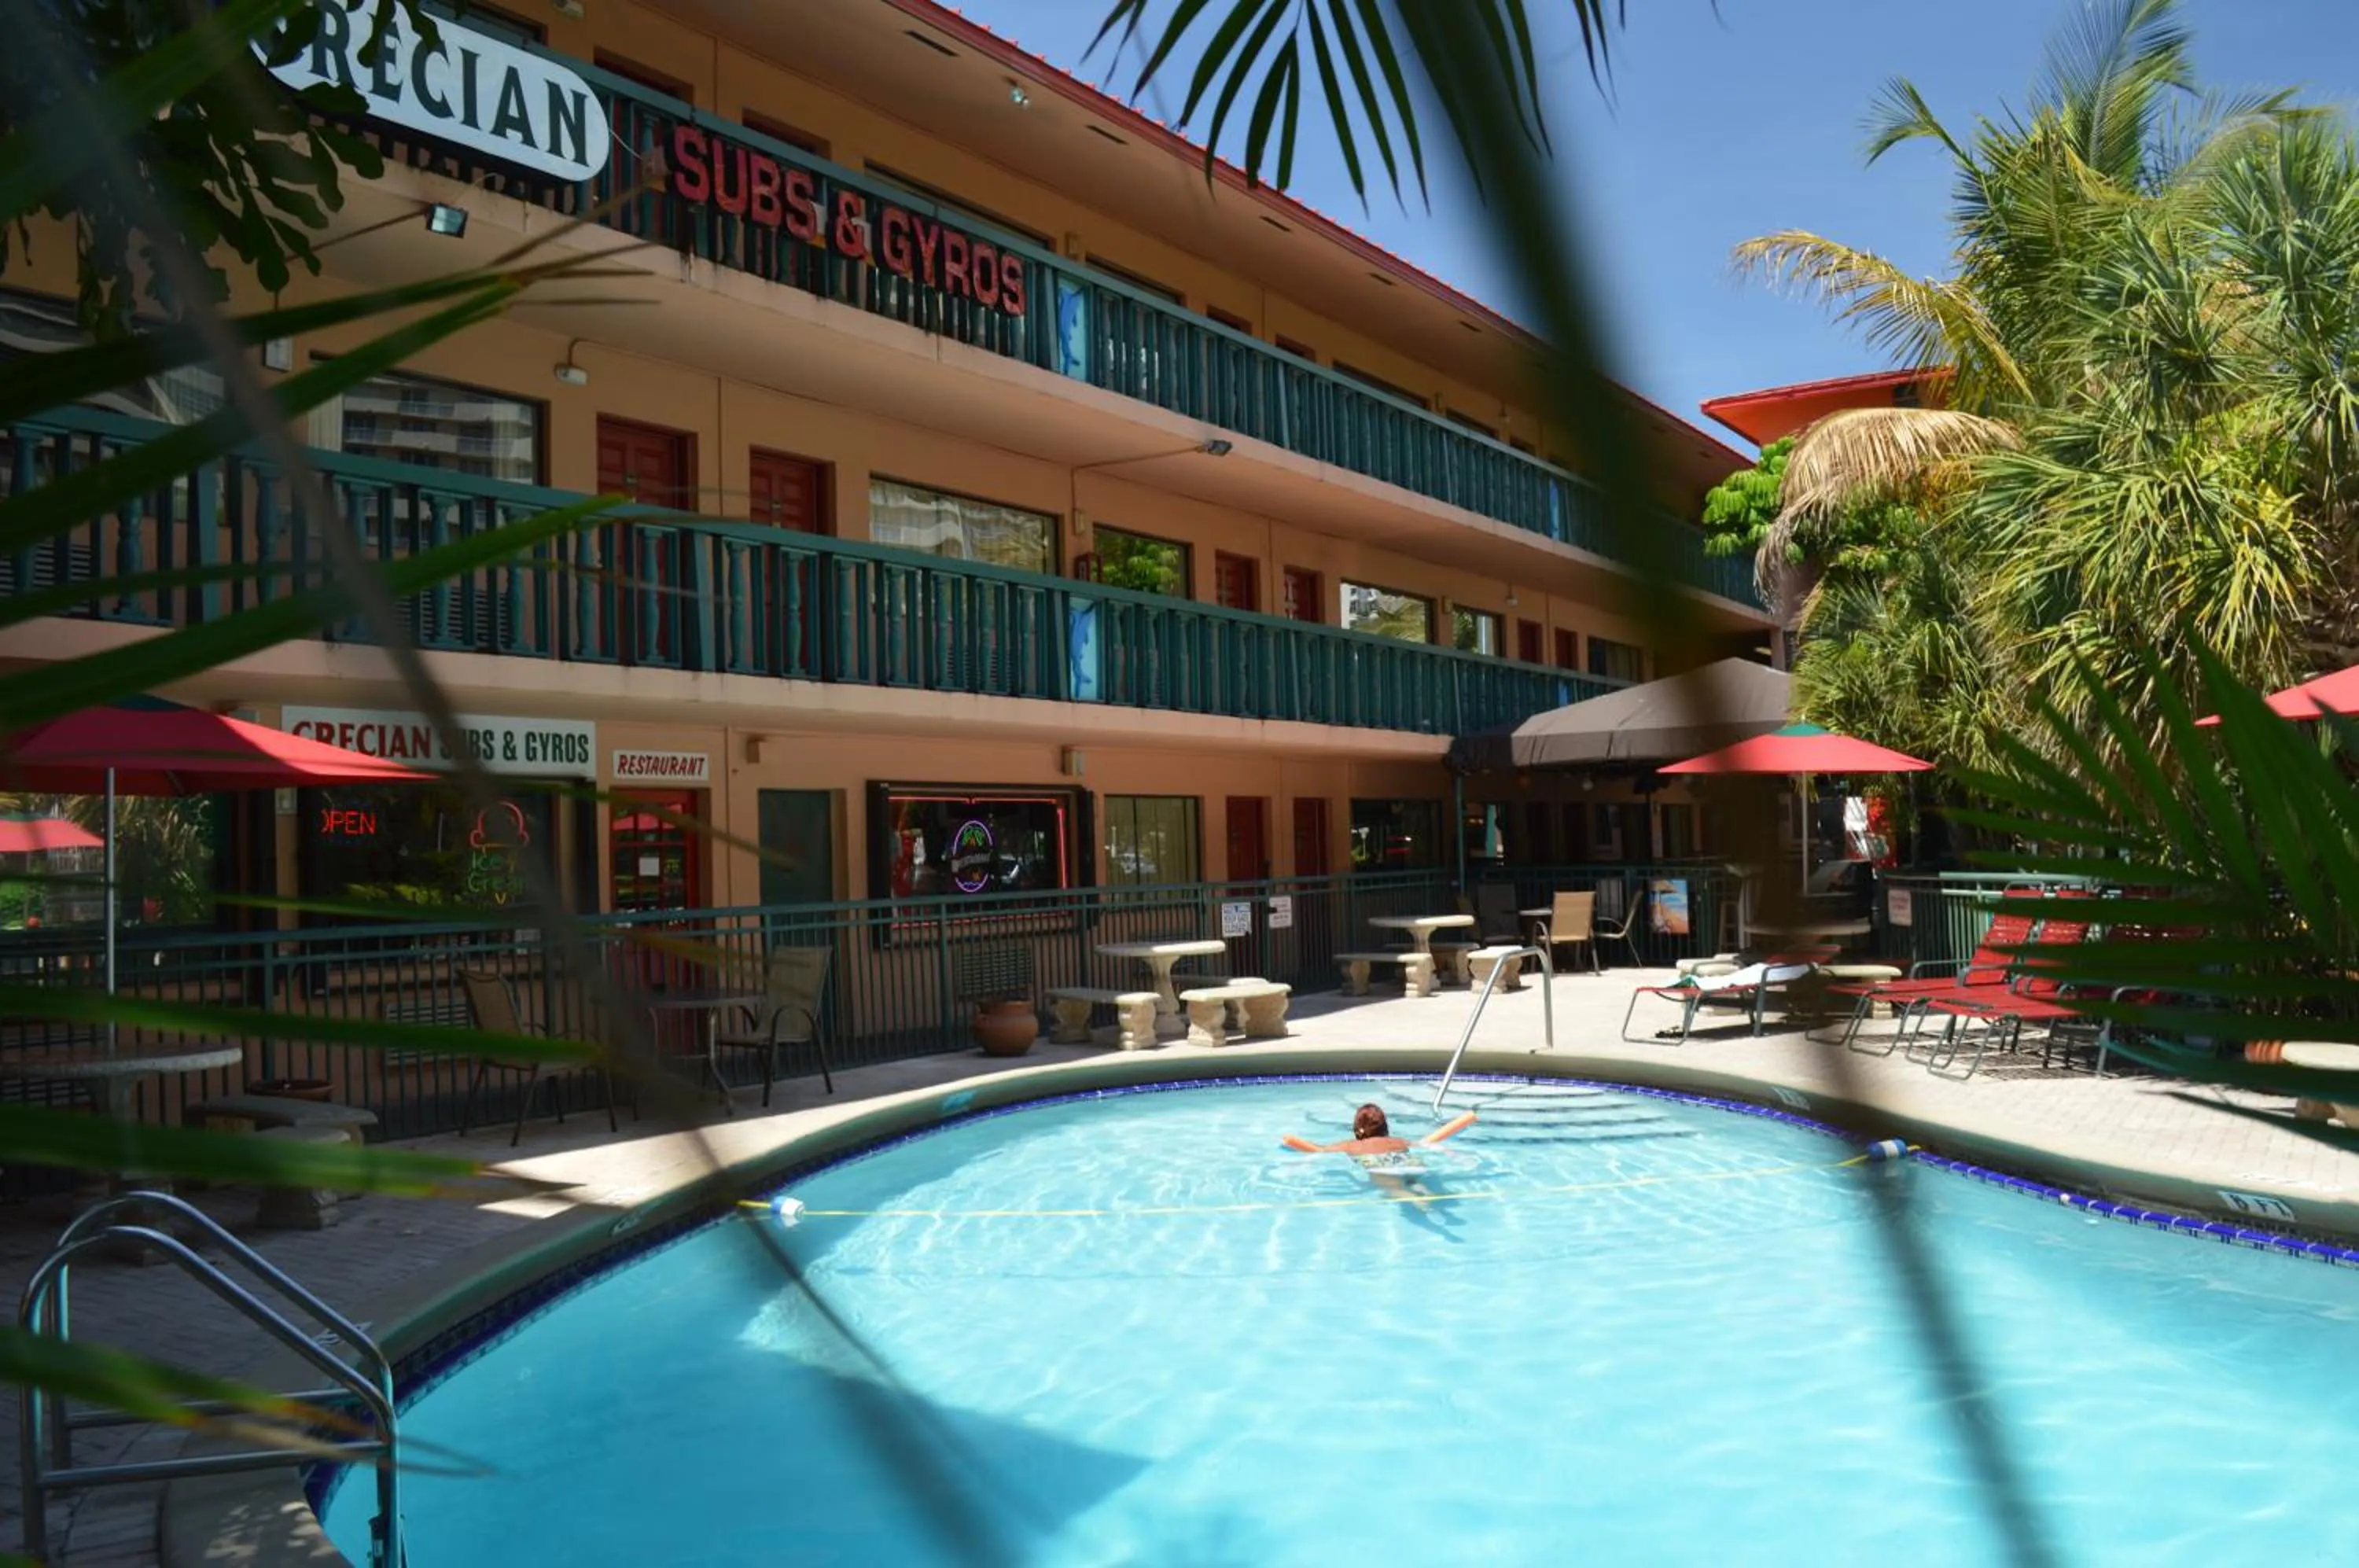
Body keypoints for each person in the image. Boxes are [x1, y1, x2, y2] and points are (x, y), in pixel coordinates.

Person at [1283, 1102, 1476, 1194]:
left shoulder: (1352, 1145)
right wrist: (1454, 1155)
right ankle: (1424, 1191)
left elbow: (1320, 1151)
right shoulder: (1399, 1141)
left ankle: (1415, 1199)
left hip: (1380, 1165)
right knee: (1415, 1183)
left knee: (1396, 1189)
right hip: (1409, 1162)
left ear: (1357, 1130)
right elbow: (1426, 1143)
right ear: (1386, 1128)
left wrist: (1296, 1148)